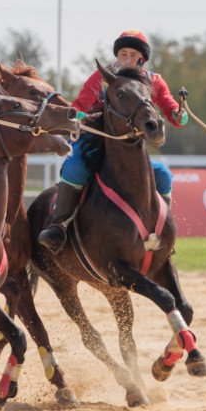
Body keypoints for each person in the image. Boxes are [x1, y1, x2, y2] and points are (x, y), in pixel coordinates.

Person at [38, 30, 188, 252]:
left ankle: (163, 230)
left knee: (164, 175)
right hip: (92, 140)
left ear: (142, 59)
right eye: (122, 53)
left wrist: (180, 115)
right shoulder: (103, 76)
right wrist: (78, 115)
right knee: (76, 166)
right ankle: (59, 227)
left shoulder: (153, 81)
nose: (126, 59)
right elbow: (80, 105)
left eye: (132, 55)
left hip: (130, 149)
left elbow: (171, 109)